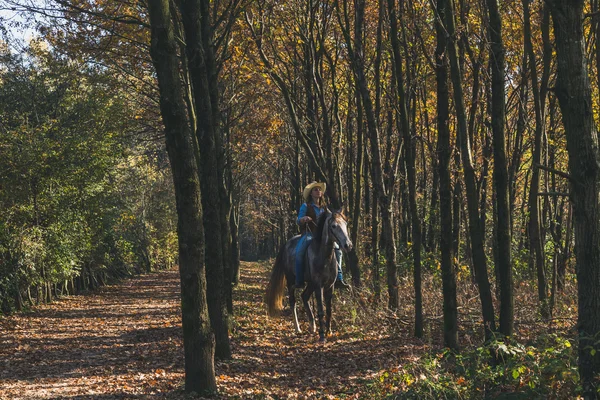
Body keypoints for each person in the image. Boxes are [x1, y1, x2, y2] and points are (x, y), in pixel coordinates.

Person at [295, 181, 349, 289]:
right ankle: (299, 279)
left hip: (323, 236)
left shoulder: (324, 208)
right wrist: (303, 219)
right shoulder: (306, 206)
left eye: (319, 189)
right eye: (315, 189)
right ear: (311, 193)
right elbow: (298, 219)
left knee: (338, 251)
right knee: (299, 252)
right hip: (309, 233)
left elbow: (331, 218)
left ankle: (339, 278)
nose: (318, 191)